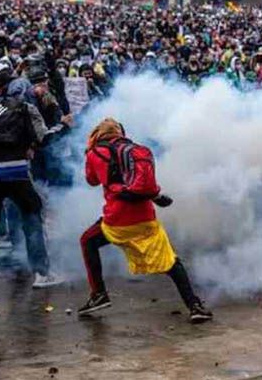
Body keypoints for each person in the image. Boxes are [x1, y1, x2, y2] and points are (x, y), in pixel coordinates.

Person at [78, 118, 212, 324]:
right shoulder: (137, 150)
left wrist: (91, 155)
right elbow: (146, 186)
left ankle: (98, 294)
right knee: (170, 262)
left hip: (116, 221)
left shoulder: (95, 153)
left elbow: (92, 180)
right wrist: (158, 197)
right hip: (144, 220)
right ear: (120, 132)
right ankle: (194, 306)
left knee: (88, 241)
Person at [0, 71, 69, 290]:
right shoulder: (27, 108)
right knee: (32, 217)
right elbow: (44, 138)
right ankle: (41, 274)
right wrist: (64, 124)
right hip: (16, 171)